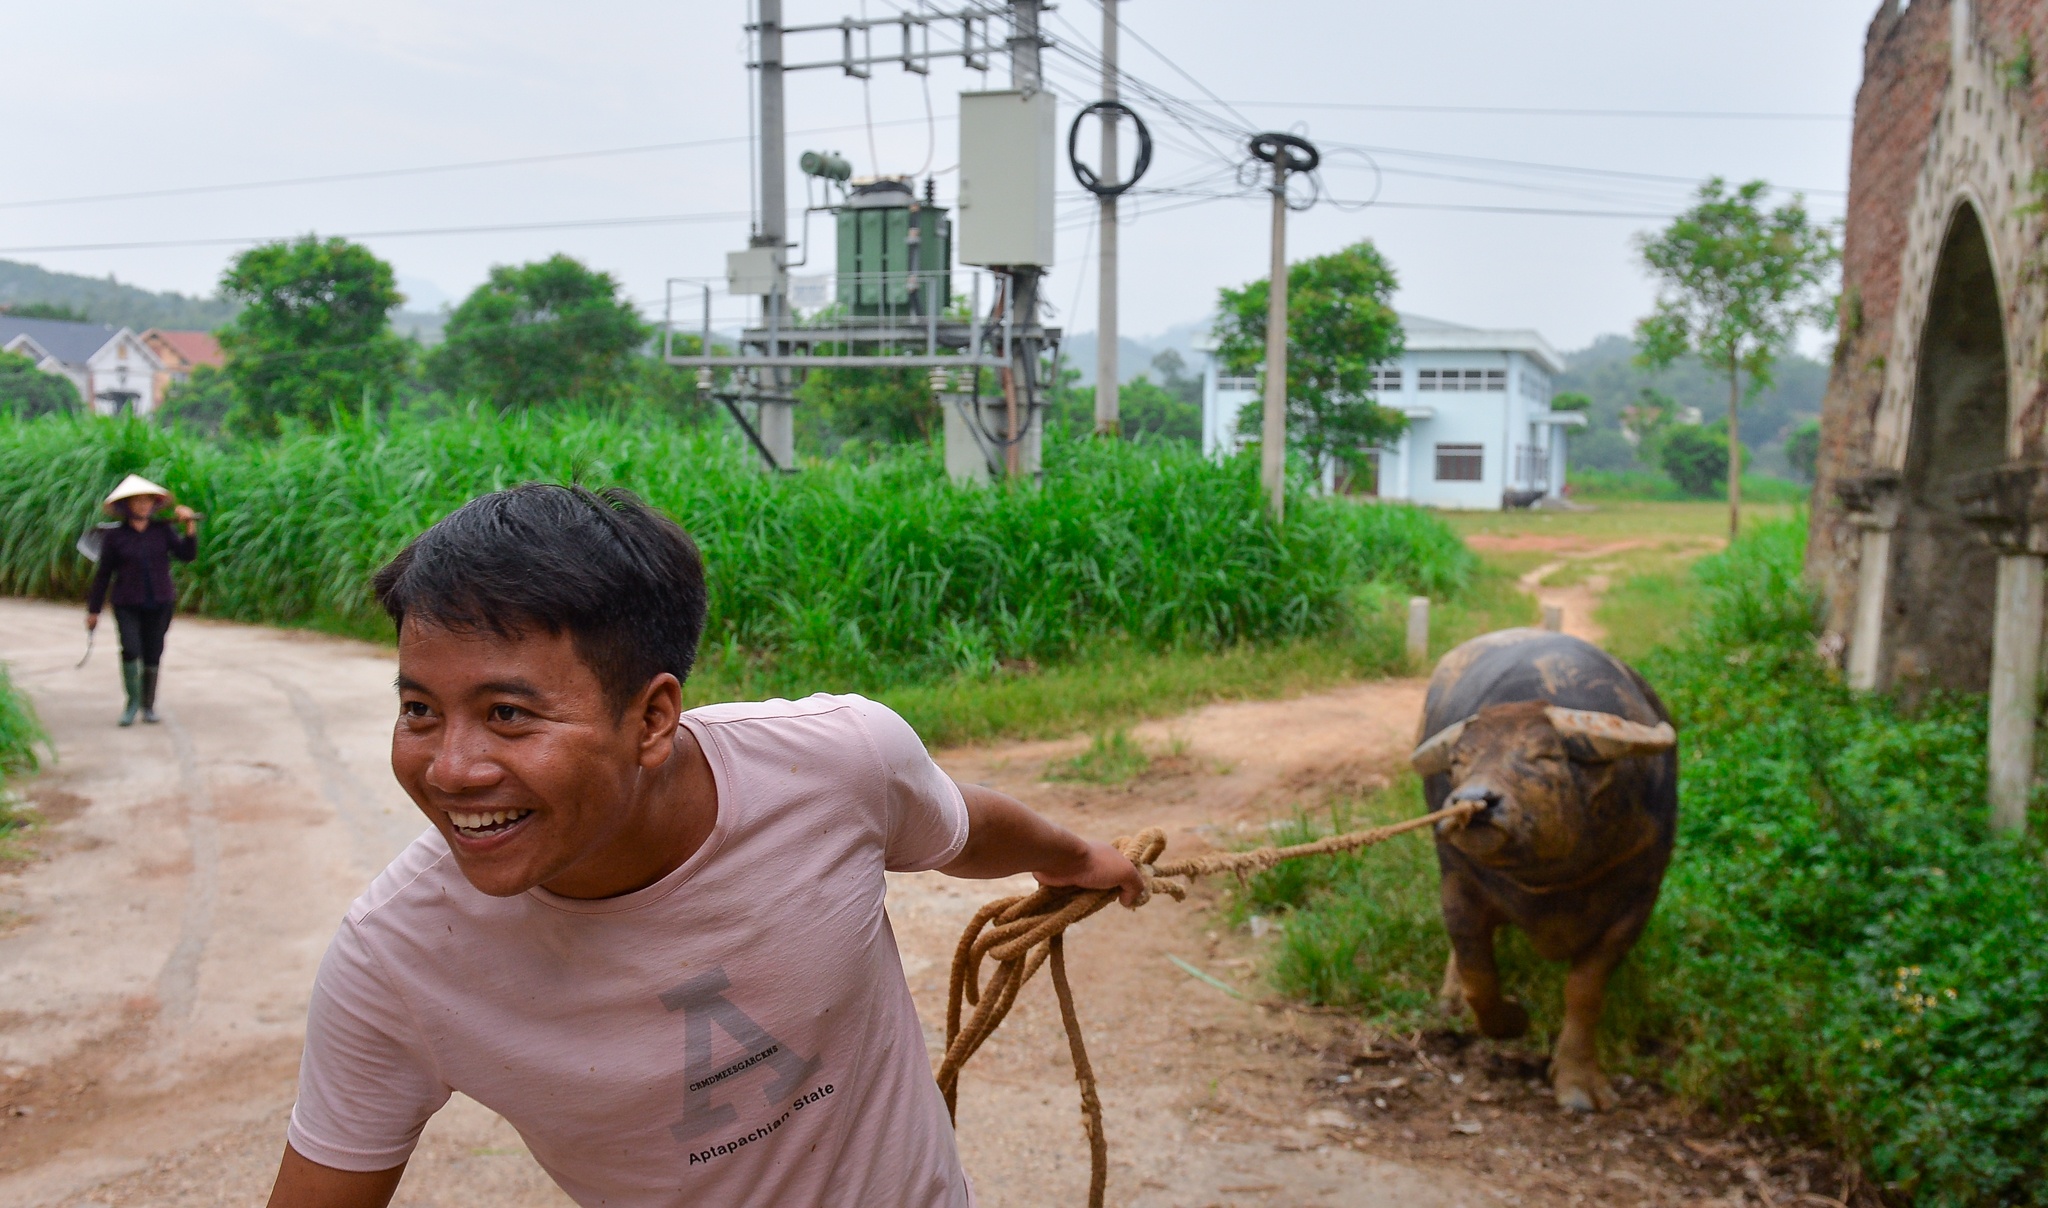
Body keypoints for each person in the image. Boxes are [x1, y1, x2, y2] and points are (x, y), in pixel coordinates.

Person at [266, 484, 1145, 1208]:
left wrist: (1072, 859)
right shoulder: (397, 960)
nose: (451, 770)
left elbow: (965, 823)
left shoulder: (837, 762)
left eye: (508, 714)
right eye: (420, 710)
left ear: (652, 718)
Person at [86, 474, 199, 727]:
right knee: (131, 649)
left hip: (160, 601)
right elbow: (103, 575)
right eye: (137, 501)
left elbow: (187, 554)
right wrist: (94, 610)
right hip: (127, 602)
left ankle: (148, 706)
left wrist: (189, 526)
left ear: (153, 504)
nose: (143, 505)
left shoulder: (163, 531)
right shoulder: (116, 538)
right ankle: (132, 704)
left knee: (153, 652)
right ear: (127, 506)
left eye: (147, 501)